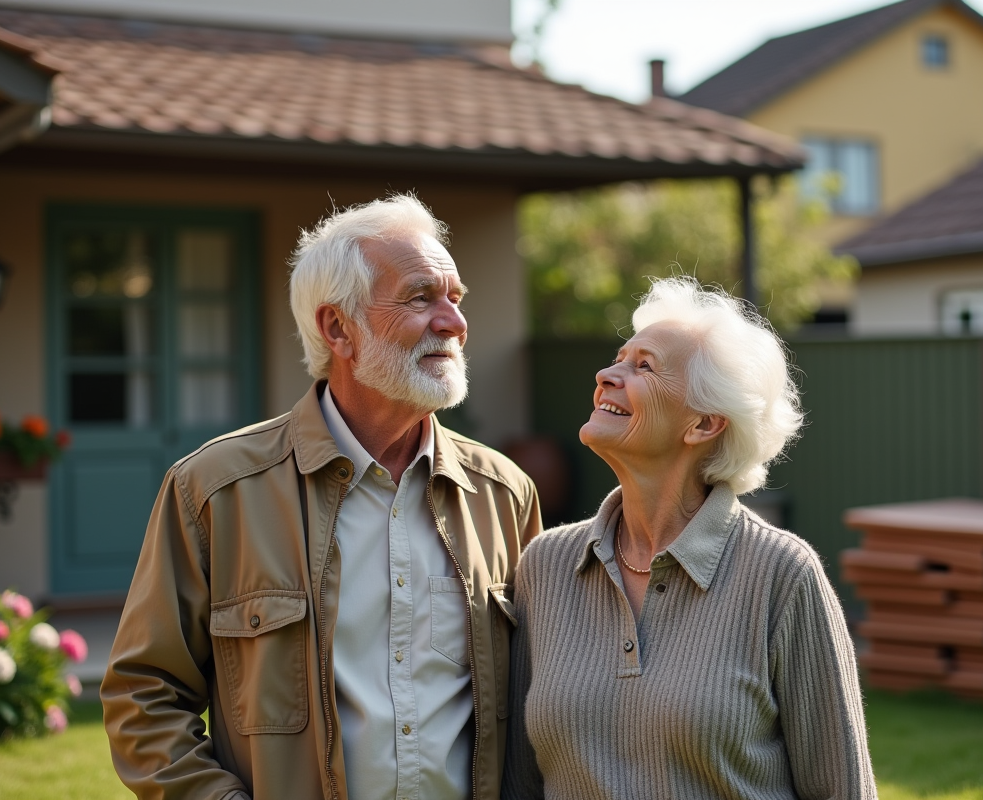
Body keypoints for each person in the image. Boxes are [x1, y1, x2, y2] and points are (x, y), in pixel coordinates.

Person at [102, 195, 541, 800]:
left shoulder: (504, 494)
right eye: (420, 297)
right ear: (338, 328)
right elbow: (143, 694)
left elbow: (541, 701)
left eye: (455, 299)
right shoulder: (213, 491)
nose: (454, 323)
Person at [503, 277, 876, 800]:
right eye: (618, 358)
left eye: (644, 366)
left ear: (703, 423)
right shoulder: (545, 566)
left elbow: (843, 789)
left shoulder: (781, 574)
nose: (607, 375)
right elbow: (520, 783)